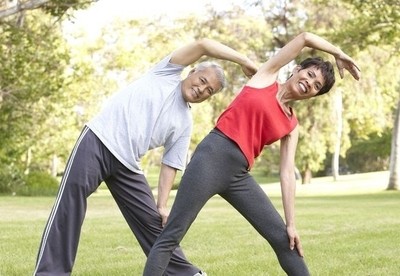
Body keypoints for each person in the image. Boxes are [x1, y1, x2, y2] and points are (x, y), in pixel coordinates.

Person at [33, 38, 258, 276]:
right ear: (192, 71)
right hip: (98, 141)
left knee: (153, 221)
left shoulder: (184, 122)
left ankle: (187, 274)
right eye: (202, 81)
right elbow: (203, 45)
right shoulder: (166, 73)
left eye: (208, 91)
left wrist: (162, 206)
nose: (202, 89)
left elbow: (171, 164)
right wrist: (243, 60)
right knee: (70, 204)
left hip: (128, 164)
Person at [143, 32, 361, 276]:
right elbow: (305, 38)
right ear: (297, 69)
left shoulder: (292, 124)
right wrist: (337, 53)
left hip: (238, 175)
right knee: (171, 235)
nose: (310, 83)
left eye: (317, 85)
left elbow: (287, 173)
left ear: (314, 95)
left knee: (284, 240)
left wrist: (291, 224)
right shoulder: (266, 76)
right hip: (211, 158)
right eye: (309, 74)